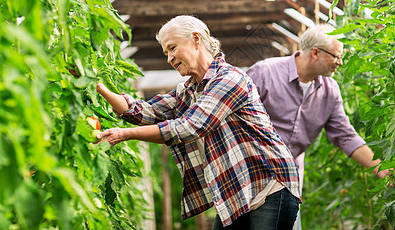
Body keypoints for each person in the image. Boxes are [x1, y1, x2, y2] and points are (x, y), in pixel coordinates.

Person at [96, 15, 301, 229]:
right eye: (166, 53)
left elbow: (190, 127)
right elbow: (143, 112)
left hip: (269, 184)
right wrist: (98, 85)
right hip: (237, 191)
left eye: (172, 48)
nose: (169, 58)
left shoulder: (229, 79)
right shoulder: (188, 91)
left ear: (196, 39)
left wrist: (123, 134)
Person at [246, 24, 390, 230]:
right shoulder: (264, 74)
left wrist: (381, 168)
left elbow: (345, 136)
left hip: (287, 185)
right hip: (249, 178)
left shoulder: (329, 91)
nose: (340, 62)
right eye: (336, 56)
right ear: (315, 53)